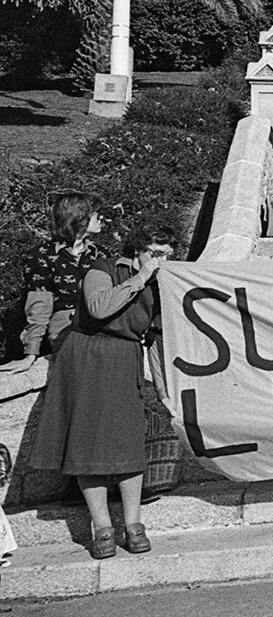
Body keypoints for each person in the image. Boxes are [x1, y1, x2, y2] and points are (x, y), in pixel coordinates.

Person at [29, 222, 178, 559]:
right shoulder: (104, 268)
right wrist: (140, 279)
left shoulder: (163, 285)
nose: (161, 262)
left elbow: (154, 338)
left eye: (167, 256)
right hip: (87, 355)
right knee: (88, 444)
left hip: (124, 356)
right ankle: (102, 528)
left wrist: (164, 392)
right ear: (136, 252)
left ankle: (133, 524)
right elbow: (98, 307)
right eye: (154, 254)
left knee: (129, 441)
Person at [16, 192, 104, 365]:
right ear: (79, 217)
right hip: (65, 331)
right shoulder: (41, 256)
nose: (102, 219)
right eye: (96, 215)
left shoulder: (101, 254)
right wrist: (31, 353)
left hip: (101, 328)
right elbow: (39, 305)